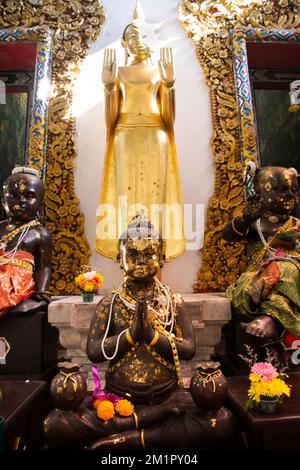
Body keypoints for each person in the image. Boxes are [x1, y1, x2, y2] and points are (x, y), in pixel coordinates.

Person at [44, 216, 234, 450]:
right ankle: (147, 428)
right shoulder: (110, 303)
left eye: (148, 254)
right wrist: (132, 335)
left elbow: (188, 349)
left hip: (168, 397)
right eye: (133, 255)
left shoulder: (174, 302)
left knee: (221, 422)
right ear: (119, 259)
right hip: (120, 400)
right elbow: (94, 352)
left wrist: (151, 336)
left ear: (162, 258)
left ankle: (126, 439)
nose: (141, 261)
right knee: (56, 424)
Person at [95, 2, 185, 261]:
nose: (138, 40)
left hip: (156, 134)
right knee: (126, 193)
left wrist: (169, 85)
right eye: (132, 35)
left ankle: (154, 255)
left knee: (156, 195)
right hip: (125, 134)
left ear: (154, 40)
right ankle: (128, 256)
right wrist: (108, 87)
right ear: (124, 43)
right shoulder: (119, 73)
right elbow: (110, 122)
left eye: (144, 34)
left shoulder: (160, 72)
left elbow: (169, 120)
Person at [222, 165, 300, 356]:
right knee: (266, 281)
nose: (290, 194)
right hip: (258, 276)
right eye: (282, 189)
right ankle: (269, 320)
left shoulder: (296, 225)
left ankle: (268, 320)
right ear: (261, 192)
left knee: (288, 269)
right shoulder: (255, 223)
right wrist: (248, 217)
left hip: (291, 276)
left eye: (294, 190)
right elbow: (228, 236)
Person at [0, 166, 51, 317]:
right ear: (4, 201)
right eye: (14, 196)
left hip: (16, 282)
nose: (21, 201)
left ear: (40, 203)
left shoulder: (39, 233)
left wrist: (42, 291)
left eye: (29, 196)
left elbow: (44, 267)